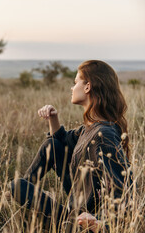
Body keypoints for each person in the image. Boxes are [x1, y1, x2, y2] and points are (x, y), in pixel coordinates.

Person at [9, 60, 132, 232]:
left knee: (17, 186)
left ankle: (65, 225)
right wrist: (53, 118)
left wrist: (100, 224)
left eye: (75, 83)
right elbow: (60, 141)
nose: (72, 88)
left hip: (86, 222)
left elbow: (123, 187)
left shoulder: (103, 135)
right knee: (50, 145)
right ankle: (28, 201)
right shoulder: (89, 128)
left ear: (88, 87)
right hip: (77, 206)